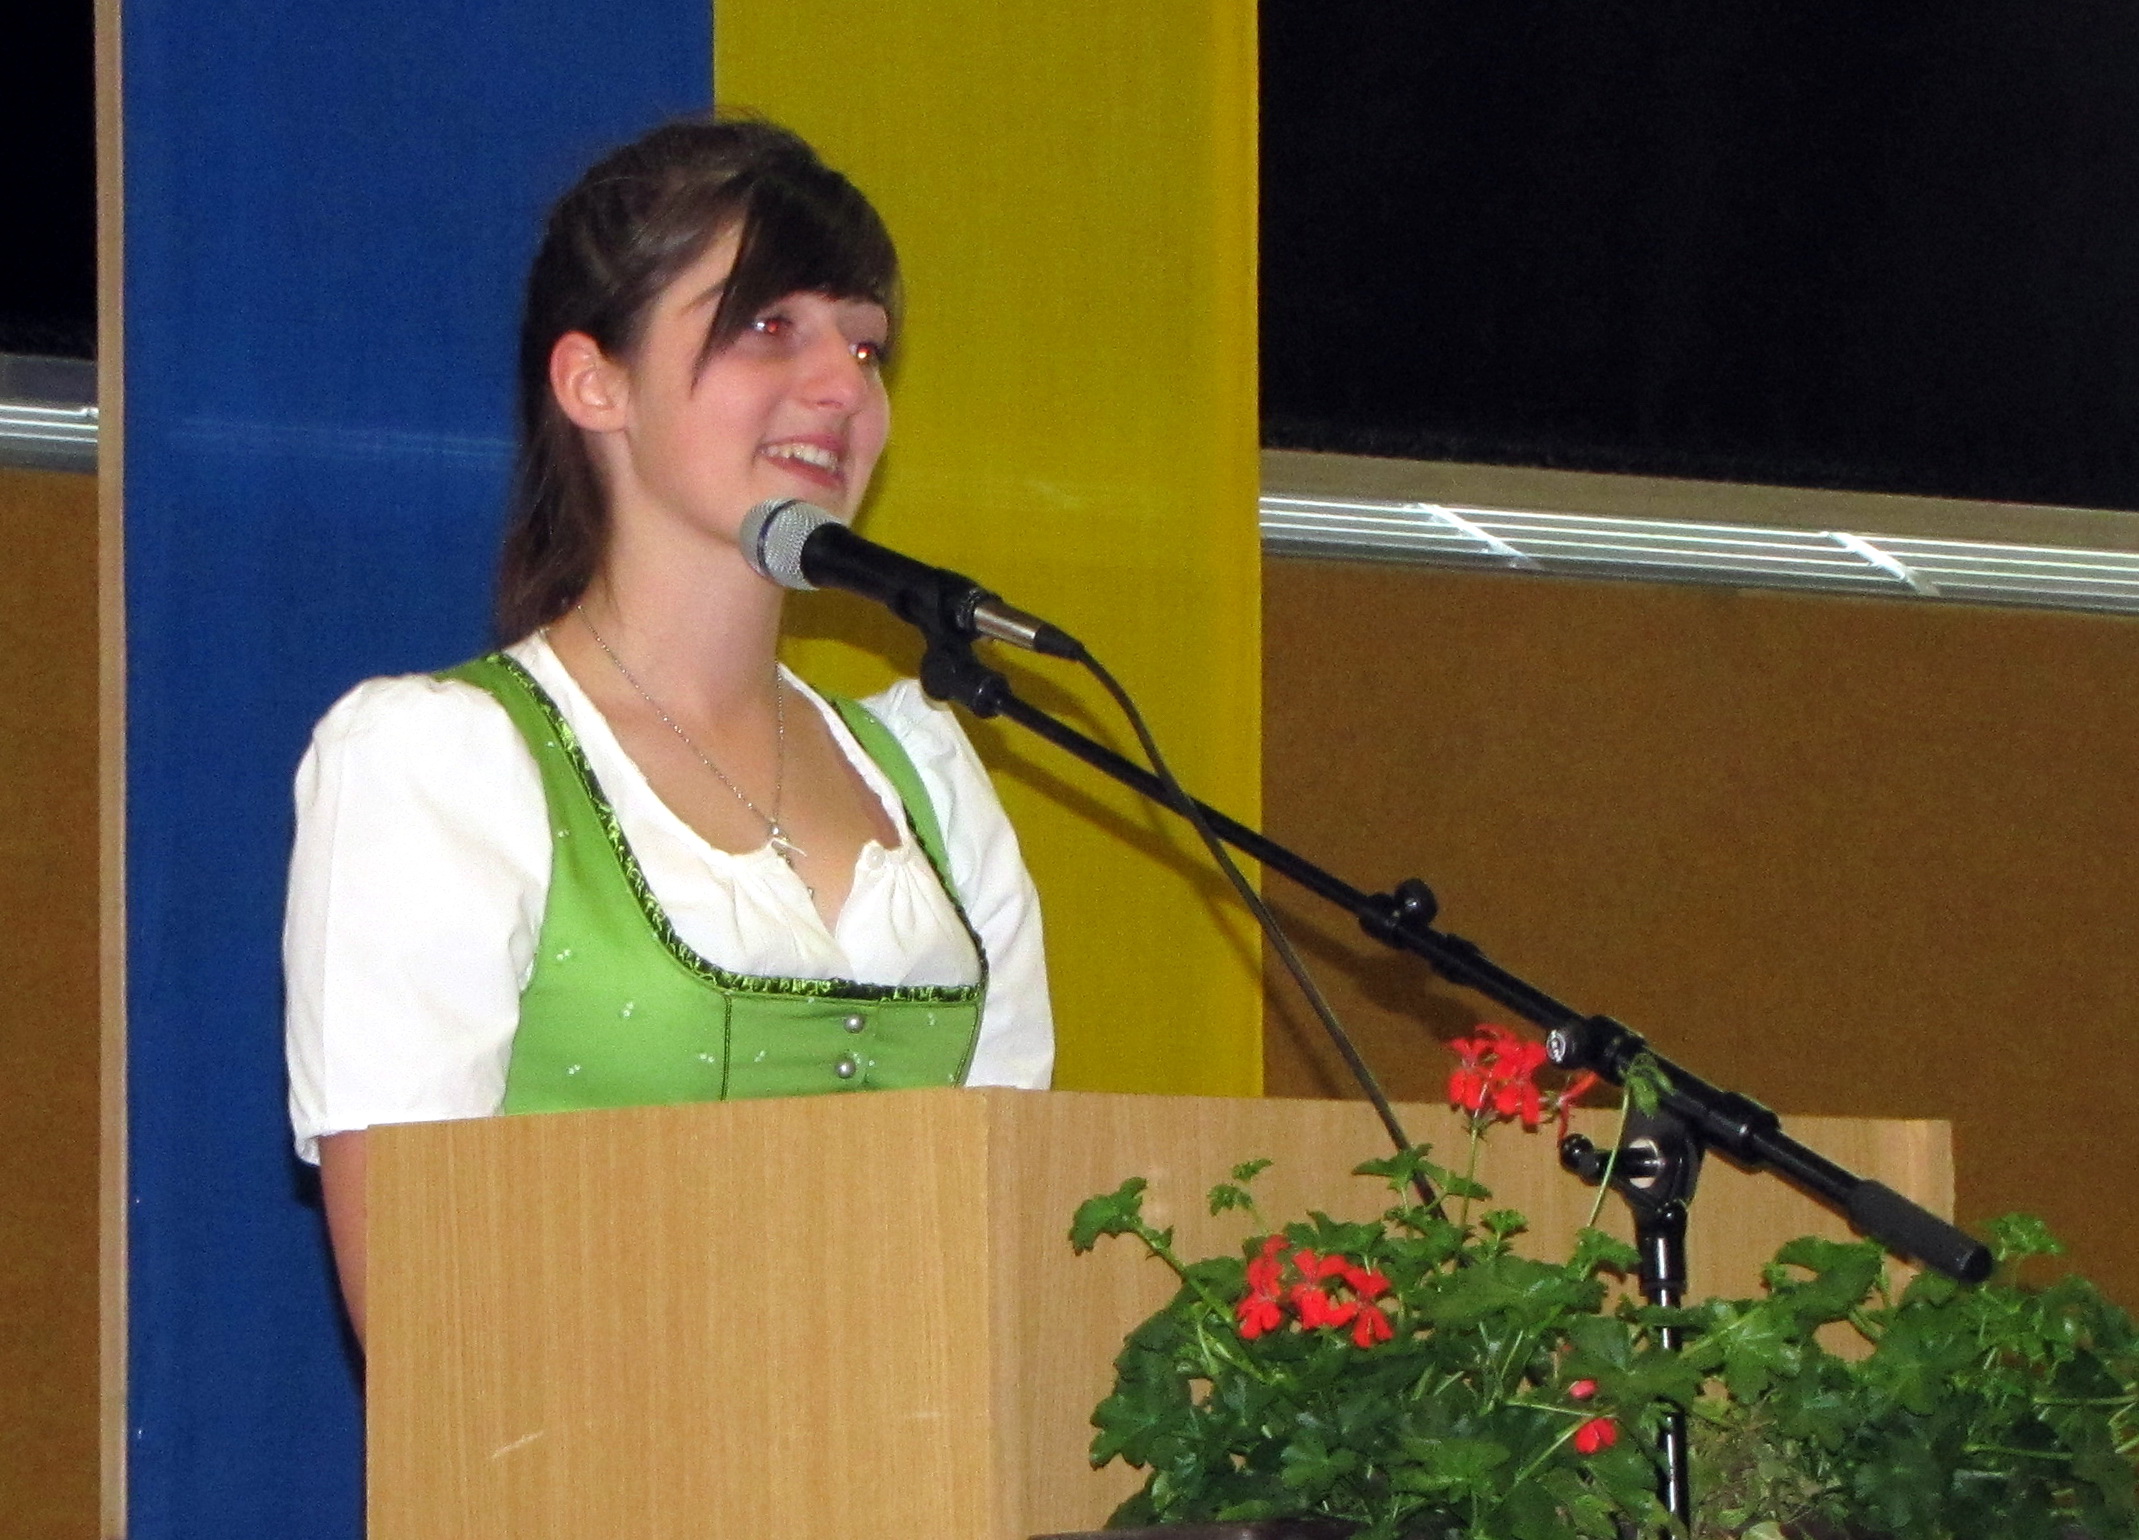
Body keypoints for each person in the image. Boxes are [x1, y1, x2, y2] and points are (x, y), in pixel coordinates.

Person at [283, 117, 1054, 1340]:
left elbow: (1027, 1251)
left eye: (865, 344)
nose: (842, 386)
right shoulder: (441, 767)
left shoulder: (932, 781)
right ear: (595, 382)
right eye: (770, 326)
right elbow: (428, 1327)